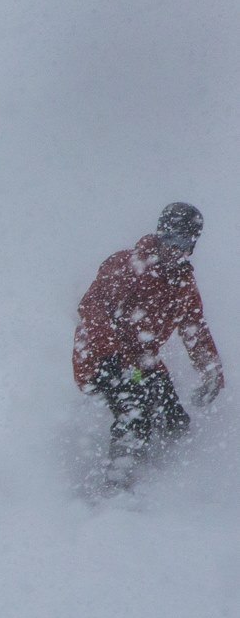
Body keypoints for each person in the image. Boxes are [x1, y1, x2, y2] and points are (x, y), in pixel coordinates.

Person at [73, 202, 223, 476]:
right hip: (99, 357)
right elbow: (92, 309)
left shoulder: (183, 284)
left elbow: (195, 330)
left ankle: (160, 476)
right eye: (171, 239)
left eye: (185, 242)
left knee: (175, 421)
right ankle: (118, 489)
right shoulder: (127, 265)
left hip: (142, 364)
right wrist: (109, 355)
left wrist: (210, 371)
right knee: (135, 414)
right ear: (160, 235)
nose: (176, 249)